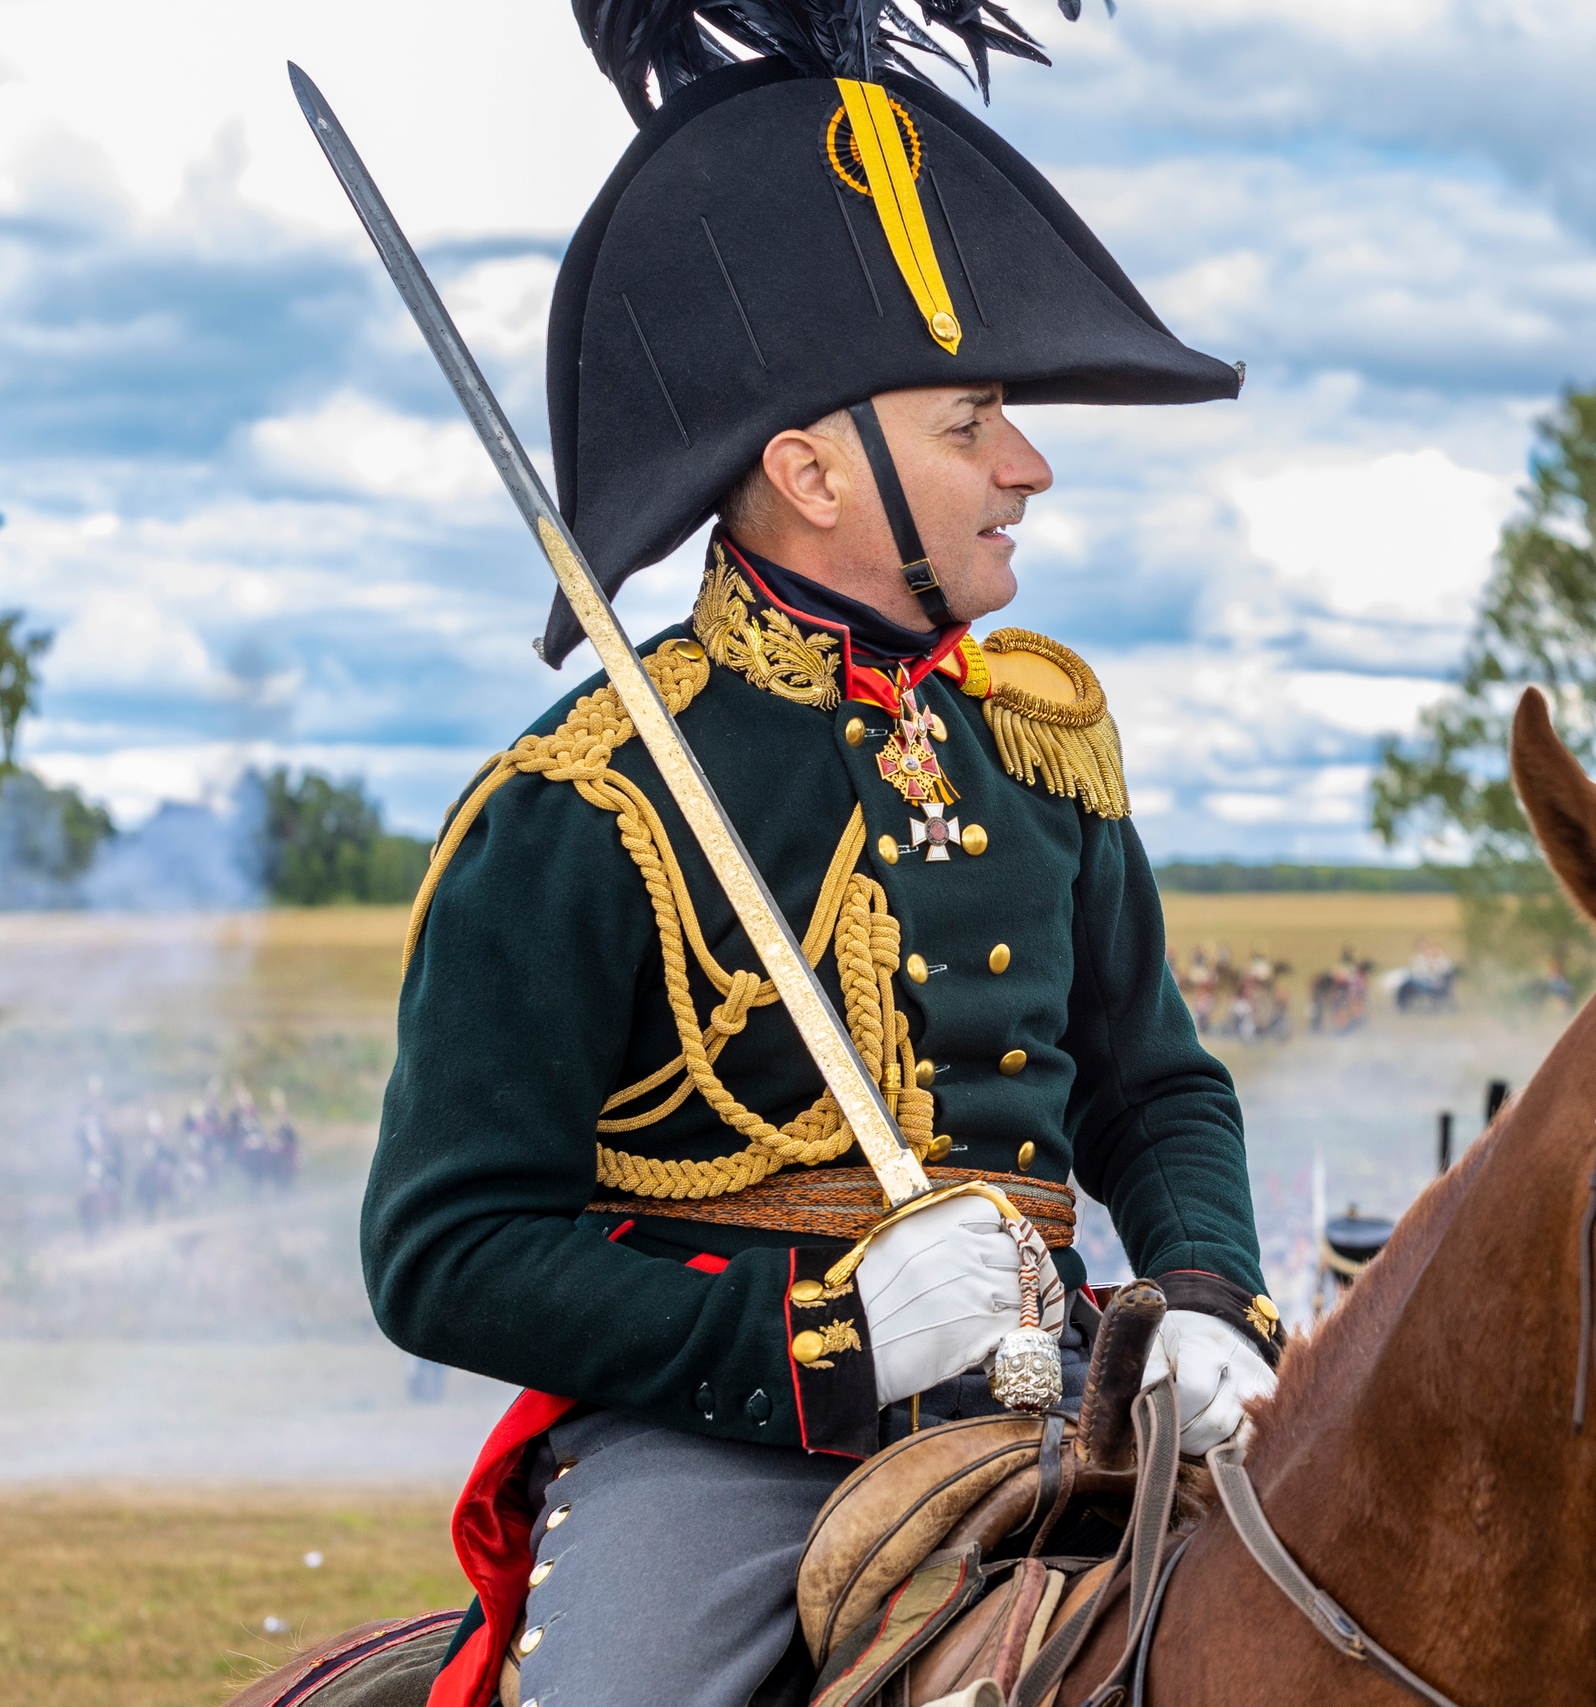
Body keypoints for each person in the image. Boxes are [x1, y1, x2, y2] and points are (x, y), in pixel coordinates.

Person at [358, 8, 1280, 1704]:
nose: (1030, 464)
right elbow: (446, 1244)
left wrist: (1210, 1292)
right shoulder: (591, 798)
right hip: (726, 1451)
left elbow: (1152, 1090)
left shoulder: (1042, 740)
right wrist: (815, 1343)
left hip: (1067, 1394)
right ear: (805, 469)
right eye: (970, 422)